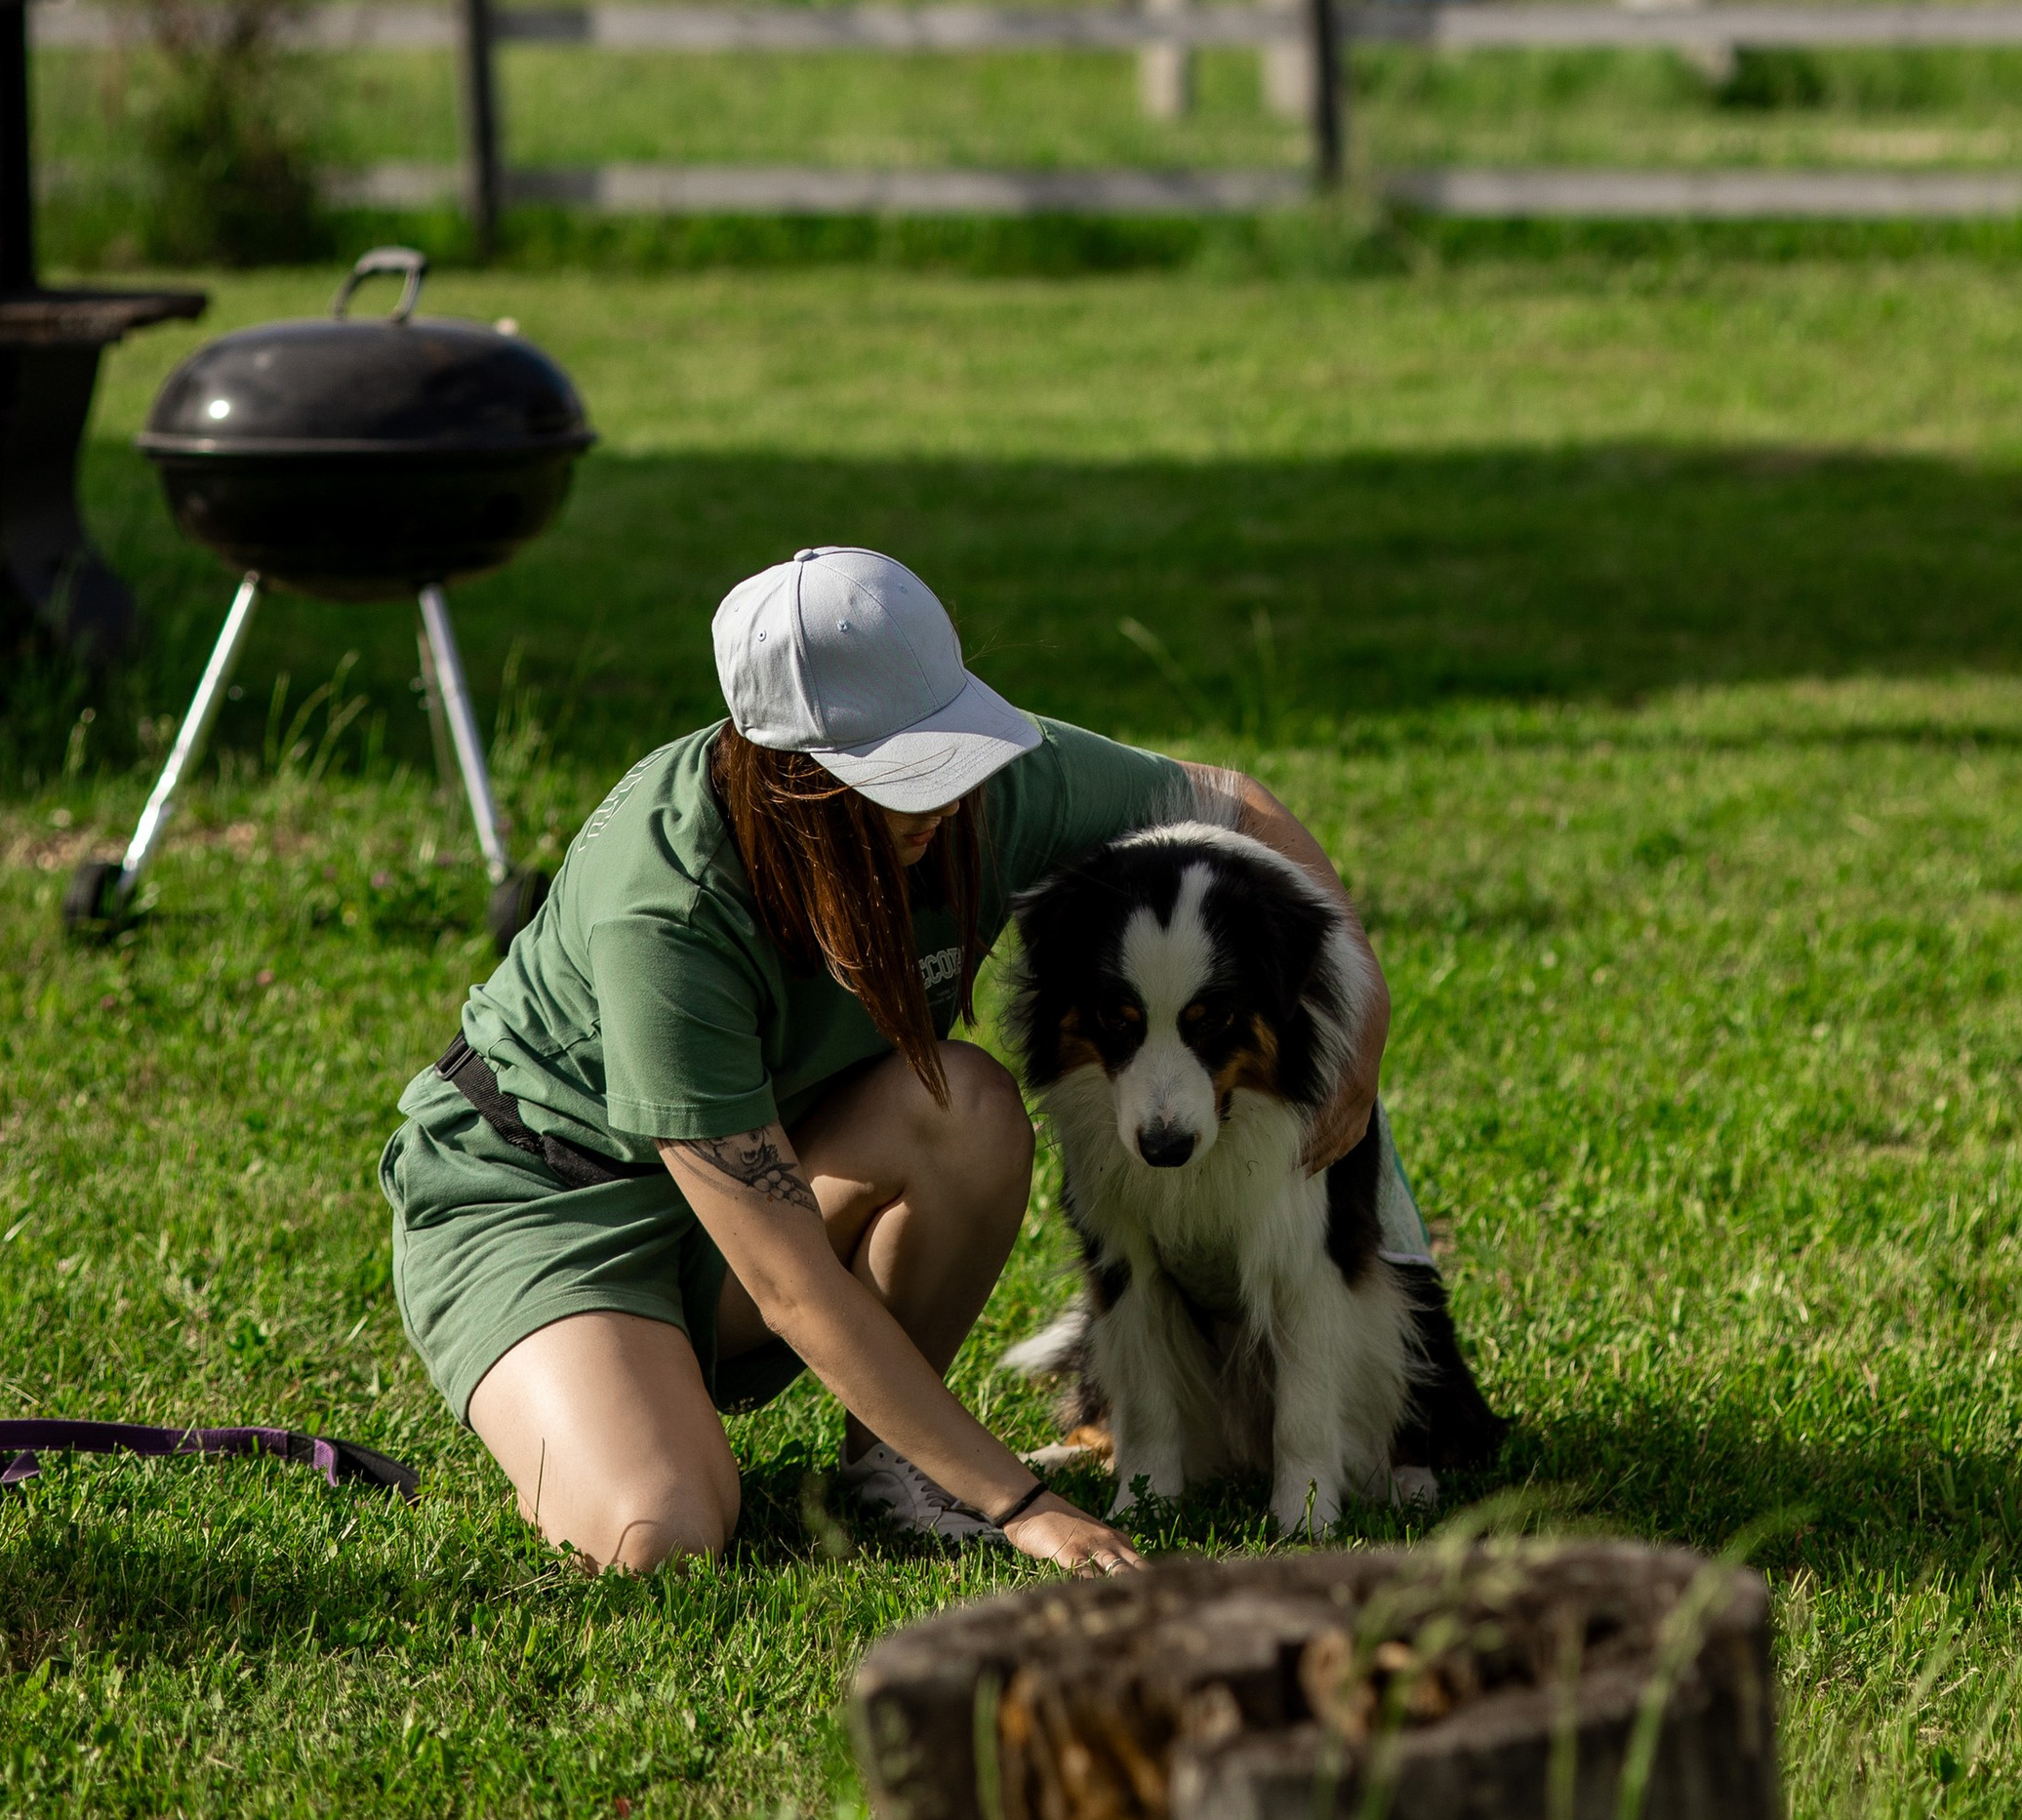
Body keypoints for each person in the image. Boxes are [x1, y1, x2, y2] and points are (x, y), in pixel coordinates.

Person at [382, 546, 1413, 1578]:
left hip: (766, 1175)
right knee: (659, 1533)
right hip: (545, 1201)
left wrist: (1360, 1032)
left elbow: (1237, 803)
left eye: (945, 752)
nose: (935, 801)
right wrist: (1019, 1502)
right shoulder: (667, 910)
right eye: (890, 777)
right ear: (784, 774)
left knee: (966, 1107)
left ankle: (888, 1466)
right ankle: (592, 1388)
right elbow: (787, 1283)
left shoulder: (981, 789)